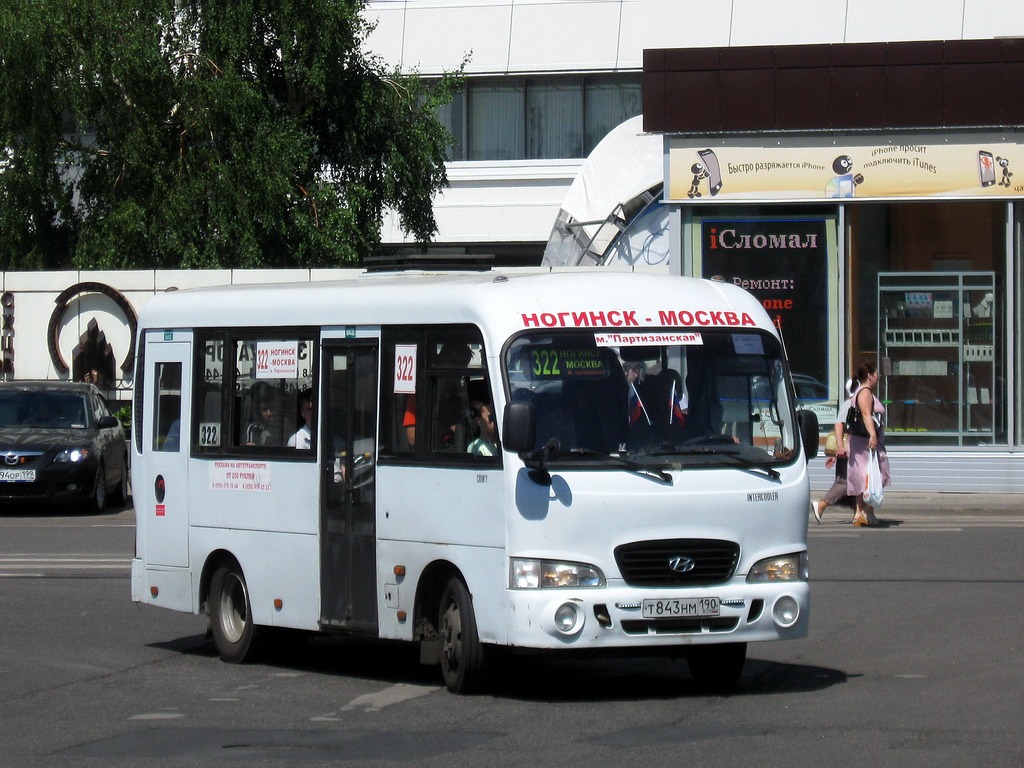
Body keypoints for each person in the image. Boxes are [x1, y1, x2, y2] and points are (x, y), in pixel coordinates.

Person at [846, 360, 891, 527]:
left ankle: (861, 513)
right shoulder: (865, 392)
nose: (878, 376)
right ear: (870, 376)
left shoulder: (862, 391)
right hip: (865, 441)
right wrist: (873, 435)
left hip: (860, 440)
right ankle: (865, 513)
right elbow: (866, 414)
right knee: (870, 475)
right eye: (876, 373)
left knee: (863, 476)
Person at [812, 379, 856, 524]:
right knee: (845, 482)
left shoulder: (855, 403)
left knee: (856, 483)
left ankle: (858, 514)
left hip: (855, 448)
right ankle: (822, 505)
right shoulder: (849, 404)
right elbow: (839, 425)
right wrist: (840, 448)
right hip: (849, 449)